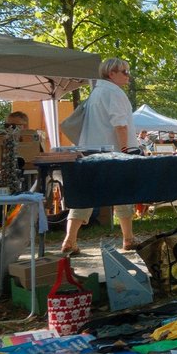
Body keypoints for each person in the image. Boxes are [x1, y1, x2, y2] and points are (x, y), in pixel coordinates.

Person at [60, 58, 139, 256]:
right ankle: (128, 238)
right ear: (111, 73)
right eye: (124, 71)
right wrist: (125, 150)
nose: (128, 75)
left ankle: (70, 239)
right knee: (123, 194)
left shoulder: (96, 92)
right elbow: (120, 124)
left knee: (85, 195)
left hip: (91, 151)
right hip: (112, 152)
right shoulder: (113, 92)